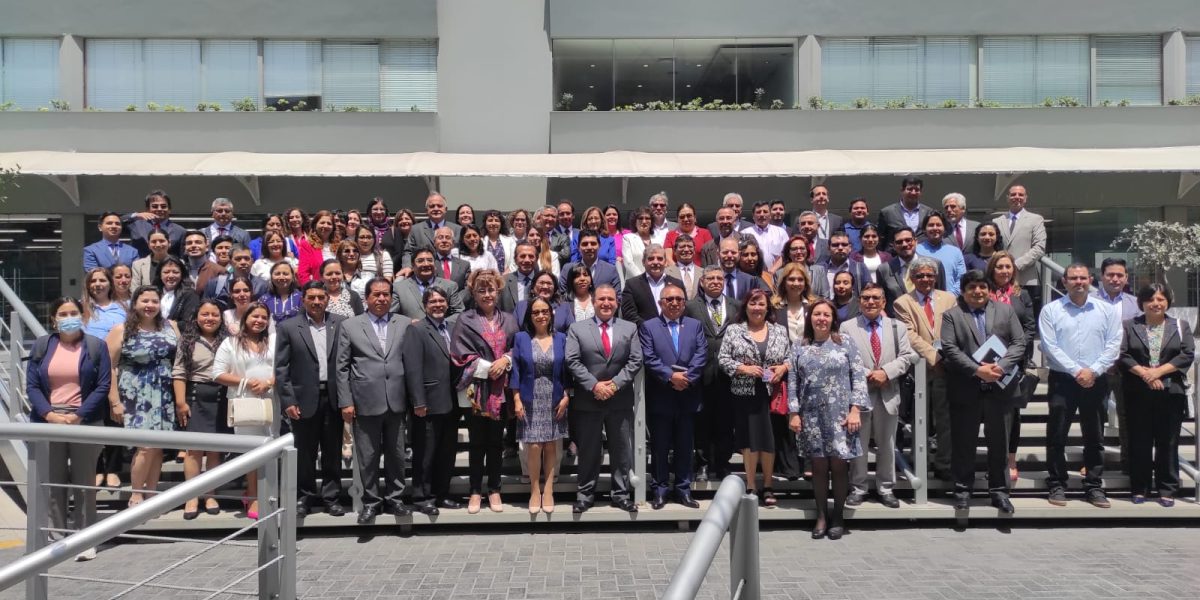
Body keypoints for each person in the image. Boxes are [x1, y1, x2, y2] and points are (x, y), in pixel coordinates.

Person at [27, 296, 111, 561]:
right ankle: (58, 538)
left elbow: (103, 385)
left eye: (73, 313)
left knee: (84, 482)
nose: (68, 318)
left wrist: (79, 415)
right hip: (49, 421)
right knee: (53, 481)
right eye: (63, 314)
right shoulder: (42, 345)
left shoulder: (96, 346)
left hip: (84, 421)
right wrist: (49, 414)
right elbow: (32, 385)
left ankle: (85, 539)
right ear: (54, 319)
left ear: (82, 316)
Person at [940, 270, 1028, 513]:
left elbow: (1019, 342)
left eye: (982, 286)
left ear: (989, 289)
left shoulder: (1005, 311)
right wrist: (977, 370)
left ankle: (999, 492)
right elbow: (949, 347)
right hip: (966, 388)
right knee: (963, 443)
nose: (977, 291)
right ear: (963, 291)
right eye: (972, 287)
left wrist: (1002, 366)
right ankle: (962, 491)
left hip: (1000, 388)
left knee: (999, 443)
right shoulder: (952, 315)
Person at [1039, 263, 1122, 508]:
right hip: (1062, 379)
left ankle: (1094, 485)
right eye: (1073, 278)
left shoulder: (1106, 310)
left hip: (1096, 380)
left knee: (1094, 435)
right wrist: (1077, 371)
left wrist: (1093, 371)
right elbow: (1049, 346)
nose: (1079, 282)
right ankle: (1057, 483)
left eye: (1083, 278)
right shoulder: (1051, 310)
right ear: (1064, 281)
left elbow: (1114, 345)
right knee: (1057, 434)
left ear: (1090, 281)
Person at [788, 299, 870, 539]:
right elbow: (793, 382)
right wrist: (794, 413)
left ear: (833, 319)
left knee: (839, 465)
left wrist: (855, 410)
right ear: (810, 318)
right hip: (811, 415)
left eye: (826, 315)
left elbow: (858, 376)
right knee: (818, 466)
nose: (821, 319)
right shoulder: (799, 345)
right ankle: (822, 515)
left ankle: (838, 515)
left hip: (841, 415)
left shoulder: (845, 342)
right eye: (817, 314)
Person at [336, 278, 413, 523]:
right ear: (367, 298)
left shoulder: (404, 323)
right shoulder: (350, 325)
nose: (381, 299)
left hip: (397, 399)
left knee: (396, 454)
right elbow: (342, 367)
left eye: (385, 294)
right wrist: (345, 401)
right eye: (376, 295)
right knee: (368, 457)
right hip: (364, 400)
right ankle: (371, 503)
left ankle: (396, 499)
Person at [566, 284, 643, 513]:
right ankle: (585, 495)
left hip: (619, 399)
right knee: (589, 450)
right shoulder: (577, 328)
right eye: (601, 299)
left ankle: (621, 494)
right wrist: (594, 385)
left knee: (621, 450)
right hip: (589, 400)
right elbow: (572, 360)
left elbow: (636, 360)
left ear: (617, 302)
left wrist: (615, 384)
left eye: (610, 299)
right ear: (593, 302)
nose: (606, 303)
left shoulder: (629, 328)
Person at [276, 281, 348, 517]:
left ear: (327, 299)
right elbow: (281, 368)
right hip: (303, 399)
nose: (316, 302)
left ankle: (331, 498)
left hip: (334, 397)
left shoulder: (341, 323)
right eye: (311, 297)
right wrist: (289, 401)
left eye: (321, 297)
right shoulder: (288, 327)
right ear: (303, 299)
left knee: (332, 451)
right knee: (305, 453)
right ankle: (304, 498)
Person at [1118, 284, 1195, 507]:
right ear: (1142, 303)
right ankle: (1139, 488)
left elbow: (1186, 354)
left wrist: (1158, 372)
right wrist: (1146, 374)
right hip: (1137, 392)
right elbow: (1123, 355)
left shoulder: (1180, 325)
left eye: (1161, 299)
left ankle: (1167, 488)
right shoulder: (1129, 326)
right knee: (1139, 440)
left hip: (1171, 393)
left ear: (1168, 302)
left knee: (1168, 442)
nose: (1156, 303)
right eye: (1150, 299)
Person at [448, 269, 518, 514]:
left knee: (496, 442)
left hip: (501, 391)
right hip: (475, 392)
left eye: (491, 289)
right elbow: (459, 354)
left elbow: (518, 347)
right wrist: (489, 367)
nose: (487, 294)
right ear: (473, 293)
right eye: (481, 290)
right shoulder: (465, 319)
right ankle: (475, 490)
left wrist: (506, 360)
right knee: (477, 443)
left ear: (498, 291)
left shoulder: (509, 319)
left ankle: (495, 489)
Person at [843, 283, 916, 508]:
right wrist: (868, 373)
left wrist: (886, 372)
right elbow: (845, 356)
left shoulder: (897, 327)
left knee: (887, 444)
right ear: (860, 302)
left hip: (888, 392)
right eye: (866, 298)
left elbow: (906, 356)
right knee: (859, 444)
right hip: (859, 394)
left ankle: (886, 488)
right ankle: (859, 488)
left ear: (884, 302)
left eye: (876, 298)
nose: (871, 302)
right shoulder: (847, 327)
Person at [105, 286, 179, 508]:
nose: (150, 305)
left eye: (154, 301)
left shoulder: (171, 326)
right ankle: (136, 494)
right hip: (136, 394)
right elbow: (109, 367)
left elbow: (180, 360)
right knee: (145, 446)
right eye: (144, 301)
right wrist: (114, 401)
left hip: (164, 392)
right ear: (135, 303)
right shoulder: (121, 330)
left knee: (158, 446)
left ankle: (152, 493)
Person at [718, 288, 792, 507]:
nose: (757, 308)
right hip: (745, 393)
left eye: (761, 304)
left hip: (772, 392)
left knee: (768, 440)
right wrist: (743, 368)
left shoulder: (779, 330)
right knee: (749, 440)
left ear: (768, 307)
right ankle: (751, 484)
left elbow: (790, 357)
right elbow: (723, 359)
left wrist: (783, 368)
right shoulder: (734, 330)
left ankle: (768, 485)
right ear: (746, 306)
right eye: (753, 303)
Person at [640, 284, 707, 509]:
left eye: (679, 299)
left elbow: (701, 354)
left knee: (685, 446)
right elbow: (649, 357)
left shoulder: (695, 325)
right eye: (669, 299)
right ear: (661, 303)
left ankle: (683, 489)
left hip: (688, 395)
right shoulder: (649, 327)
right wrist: (671, 377)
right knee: (659, 447)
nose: (675, 303)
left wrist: (686, 378)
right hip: (661, 396)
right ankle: (659, 490)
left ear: (684, 302)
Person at [892, 256, 957, 480]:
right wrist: (934, 357)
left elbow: (954, 329)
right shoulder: (902, 302)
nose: (925, 279)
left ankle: (944, 463)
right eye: (920, 275)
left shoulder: (949, 299)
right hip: (918, 369)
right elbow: (909, 335)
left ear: (936, 277)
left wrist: (945, 358)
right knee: (920, 419)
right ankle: (920, 462)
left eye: (929, 275)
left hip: (946, 369)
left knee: (945, 419)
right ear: (912, 278)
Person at [402, 287, 465, 515]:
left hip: (452, 401)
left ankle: (441, 494)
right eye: (432, 301)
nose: (438, 305)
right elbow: (412, 368)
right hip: (427, 403)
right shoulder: (416, 330)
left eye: (441, 301)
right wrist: (418, 401)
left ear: (447, 304)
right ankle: (422, 497)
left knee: (447, 452)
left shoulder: (452, 328)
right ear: (425, 305)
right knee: (425, 453)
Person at [213, 302, 277, 520]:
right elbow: (217, 374)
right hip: (245, 402)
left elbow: (285, 368)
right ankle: (253, 494)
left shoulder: (274, 341)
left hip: (271, 400)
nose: (259, 321)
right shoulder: (230, 343)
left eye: (264, 317)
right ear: (245, 319)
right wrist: (248, 382)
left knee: (271, 447)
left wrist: (269, 382)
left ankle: (269, 492)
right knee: (252, 451)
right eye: (255, 316)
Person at [510, 296, 570, 514]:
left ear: (551, 314)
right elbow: (516, 370)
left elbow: (567, 371)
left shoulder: (561, 338)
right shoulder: (521, 338)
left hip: (554, 396)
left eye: (544, 311)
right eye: (536, 312)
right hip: (530, 396)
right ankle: (535, 490)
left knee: (551, 444)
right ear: (530, 316)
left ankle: (549, 490)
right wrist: (516, 399)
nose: (541, 315)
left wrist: (566, 396)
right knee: (534, 445)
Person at [170, 299, 230, 519]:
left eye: (214, 314)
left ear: (221, 318)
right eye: (205, 314)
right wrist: (181, 402)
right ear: (196, 317)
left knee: (215, 450)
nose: (209, 318)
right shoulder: (187, 341)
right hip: (195, 396)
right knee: (194, 450)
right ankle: (192, 496)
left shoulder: (228, 340)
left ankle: (210, 494)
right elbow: (179, 372)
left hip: (222, 397)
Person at [686, 266, 741, 483]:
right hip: (701, 373)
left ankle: (723, 463)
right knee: (702, 421)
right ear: (702, 282)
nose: (716, 281)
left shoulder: (736, 306)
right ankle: (703, 464)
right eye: (710, 278)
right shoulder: (691, 307)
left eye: (719, 278)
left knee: (726, 421)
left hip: (728, 375)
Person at [985, 252, 1036, 484]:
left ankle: (1010, 460)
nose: (1004, 271)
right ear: (992, 269)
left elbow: (1029, 327)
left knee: (1012, 415)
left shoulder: (1021, 295)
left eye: (1008, 267)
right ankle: (993, 462)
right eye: (1000, 267)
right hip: (986, 361)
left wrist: (1012, 354)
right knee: (990, 415)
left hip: (1014, 363)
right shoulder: (983, 292)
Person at [992, 185, 1046, 307]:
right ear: (1007, 198)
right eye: (1013, 194)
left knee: (1025, 315)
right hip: (1000, 279)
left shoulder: (1036, 219)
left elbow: (1039, 247)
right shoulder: (997, 221)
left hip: (1026, 279)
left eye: (1021, 195)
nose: (1017, 197)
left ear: (1025, 198)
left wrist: (1015, 265)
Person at [876, 227, 946, 314]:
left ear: (916, 241)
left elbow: (942, 296)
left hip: (929, 317)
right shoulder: (884, 269)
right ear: (893, 246)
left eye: (908, 240)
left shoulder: (935, 264)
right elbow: (880, 300)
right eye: (899, 242)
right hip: (897, 320)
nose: (904, 244)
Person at [390, 247, 465, 321]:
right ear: (412, 265)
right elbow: (391, 314)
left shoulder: (450, 286)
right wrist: (409, 322)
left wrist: (441, 324)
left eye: (430, 260)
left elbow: (459, 312)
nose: (426, 264)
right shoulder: (399, 288)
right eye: (420, 261)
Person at [621, 244, 684, 326]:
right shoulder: (632, 285)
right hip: (644, 332)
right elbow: (629, 314)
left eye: (660, 259)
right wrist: (650, 329)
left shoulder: (677, 284)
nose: (655, 262)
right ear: (643, 262)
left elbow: (683, 310)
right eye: (651, 259)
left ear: (665, 262)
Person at [876, 176, 936, 253]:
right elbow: (880, 239)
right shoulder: (887, 212)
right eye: (910, 189)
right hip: (895, 256)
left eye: (917, 190)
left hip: (923, 256)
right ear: (902, 190)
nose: (913, 192)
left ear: (921, 192)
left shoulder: (929, 212)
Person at [404, 193, 461, 270]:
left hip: (450, 271)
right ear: (426, 210)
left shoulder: (458, 229)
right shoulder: (416, 230)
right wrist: (407, 266)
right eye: (432, 206)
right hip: (424, 271)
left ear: (446, 209)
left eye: (439, 206)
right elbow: (408, 252)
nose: (436, 209)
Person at [915, 212, 967, 296]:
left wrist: (949, 297)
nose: (935, 228)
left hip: (951, 300)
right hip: (921, 300)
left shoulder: (955, 252)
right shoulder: (916, 250)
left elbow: (961, 279)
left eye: (938, 225)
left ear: (944, 228)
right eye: (931, 225)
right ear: (924, 229)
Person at [124, 189, 186, 257]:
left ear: (169, 209)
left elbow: (181, 256)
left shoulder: (180, 231)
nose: (159, 209)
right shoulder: (136, 225)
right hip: (140, 263)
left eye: (163, 206)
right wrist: (135, 215)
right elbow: (118, 222)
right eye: (155, 206)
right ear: (147, 209)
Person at [560, 230, 621, 295]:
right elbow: (562, 295)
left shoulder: (610, 270)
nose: (589, 247)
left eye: (593, 243)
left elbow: (617, 296)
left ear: (599, 246)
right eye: (585, 244)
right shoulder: (568, 269)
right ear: (578, 247)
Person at [820, 231, 871, 298]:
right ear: (828, 248)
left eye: (844, 245)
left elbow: (869, 292)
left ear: (850, 248)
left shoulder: (860, 268)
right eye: (835, 245)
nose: (840, 248)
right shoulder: (819, 269)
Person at [716, 237, 766, 303]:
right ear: (718, 254)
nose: (729, 255)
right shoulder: (710, 280)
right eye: (725, 252)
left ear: (739, 254)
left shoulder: (750, 281)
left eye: (733, 252)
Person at [741, 201, 789, 269]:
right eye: (758, 212)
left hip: (777, 272)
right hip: (752, 273)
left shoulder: (781, 232)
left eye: (765, 212)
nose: (762, 214)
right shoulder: (745, 233)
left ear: (770, 215)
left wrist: (772, 270)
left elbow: (786, 254)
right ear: (753, 216)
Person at [80, 268, 126, 340]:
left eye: (102, 280)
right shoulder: (79, 307)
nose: (97, 284)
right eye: (93, 281)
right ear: (88, 285)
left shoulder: (124, 308)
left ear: (111, 284)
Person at [297, 210, 340, 284]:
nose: (325, 226)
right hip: (318, 288)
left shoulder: (340, 245)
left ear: (333, 227)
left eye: (329, 223)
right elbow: (303, 274)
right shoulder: (307, 245)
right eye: (322, 223)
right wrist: (311, 289)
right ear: (315, 225)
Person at [155, 257, 200, 324]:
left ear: (182, 275)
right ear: (160, 275)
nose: (171, 276)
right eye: (166, 272)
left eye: (175, 272)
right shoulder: (153, 292)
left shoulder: (190, 295)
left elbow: (188, 322)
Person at [499, 241, 538, 313]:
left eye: (531, 256)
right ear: (515, 259)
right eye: (522, 256)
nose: (527, 260)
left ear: (537, 259)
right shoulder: (503, 281)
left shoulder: (544, 281)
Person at [621, 207, 655, 279]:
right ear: (635, 222)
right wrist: (643, 279)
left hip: (656, 281)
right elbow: (628, 263)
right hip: (636, 281)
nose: (644, 221)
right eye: (640, 218)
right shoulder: (628, 238)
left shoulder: (658, 239)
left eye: (647, 218)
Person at [481, 209, 517, 274]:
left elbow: (514, 262)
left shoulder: (510, 240)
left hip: (506, 277)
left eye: (497, 220)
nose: (493, 223)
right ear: (485, 223)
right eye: (490, 220)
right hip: (485, 277)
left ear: (501, 224)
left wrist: (505, 275)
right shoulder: (480, 241)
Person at [381, 208, 415, 274]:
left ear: (413, 221)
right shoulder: (391, 236)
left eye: (407, 219)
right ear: (397, 223)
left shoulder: (418, 236)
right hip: (396, 273)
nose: (404, 221)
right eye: (400, 220)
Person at [671, 235, 701, 299]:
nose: (686, 250)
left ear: (694, 250)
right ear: (674, 251)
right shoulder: (666, 273)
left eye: (690, 246)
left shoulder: (703, 273)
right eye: (682, 247)